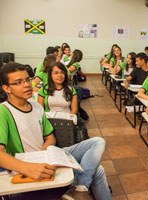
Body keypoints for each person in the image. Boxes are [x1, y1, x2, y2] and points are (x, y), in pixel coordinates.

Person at [0, 62, 111, 200]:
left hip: (47, 155)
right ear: (6, 88)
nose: (27, 84)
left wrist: (46, 152)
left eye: (28, 79)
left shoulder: (36, 107)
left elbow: (50, 137)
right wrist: (28, 167)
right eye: (18, 82)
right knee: (98, 171)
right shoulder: (3, 112)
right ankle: (79, 187)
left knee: (98, 142)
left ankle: (80, 186)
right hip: (27, 164)